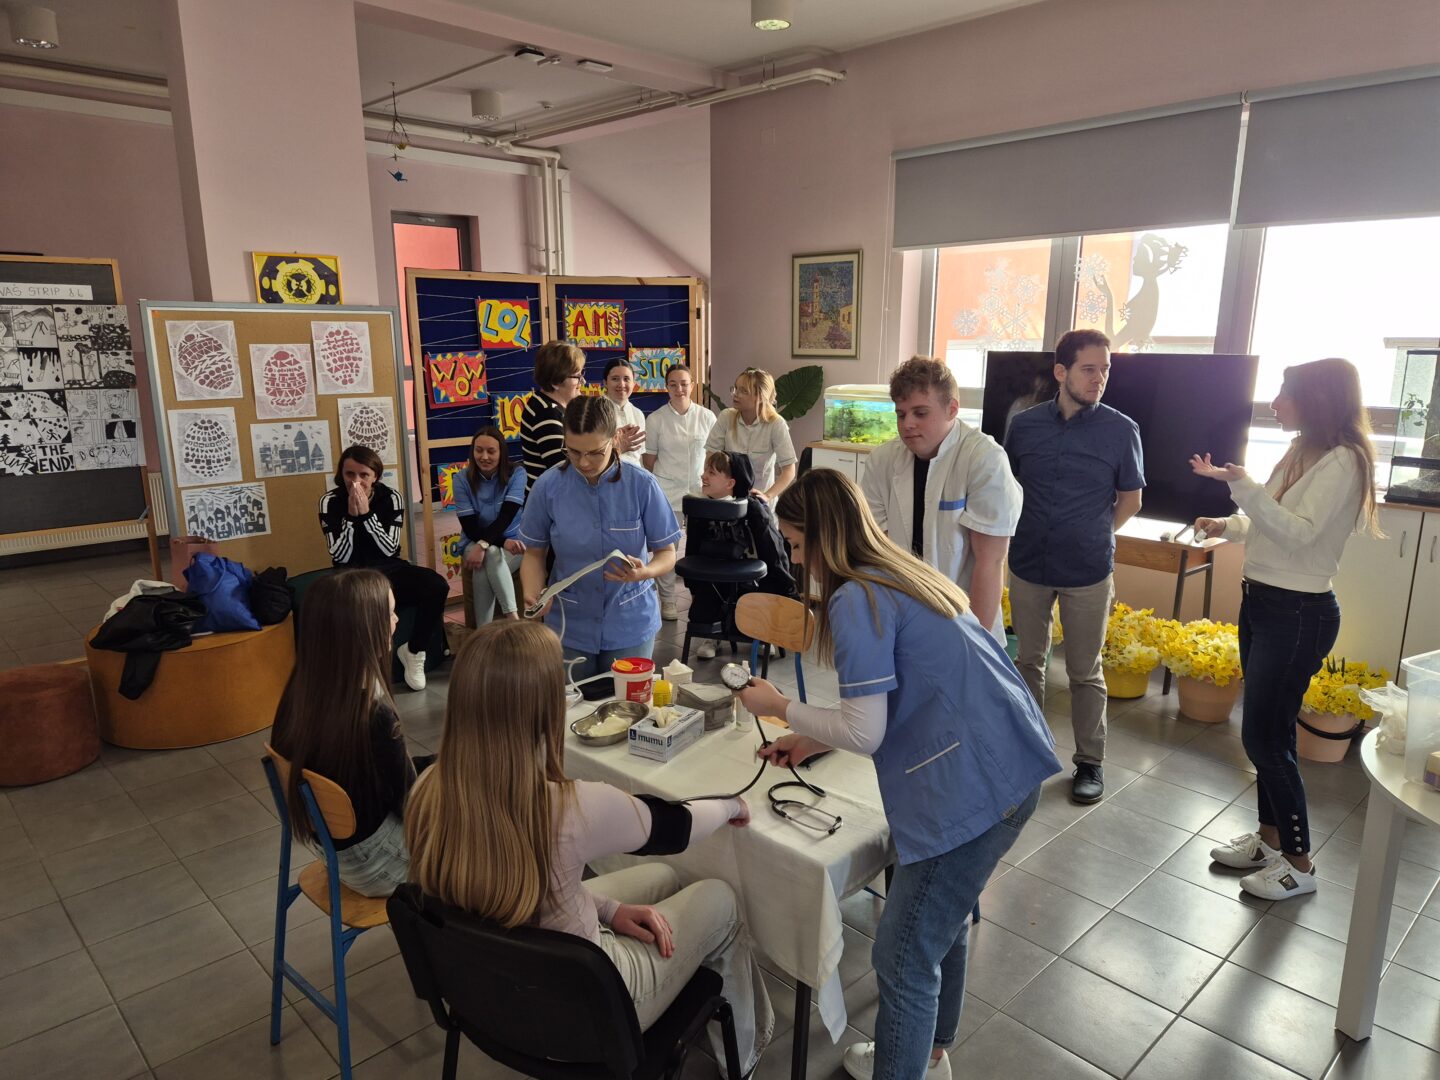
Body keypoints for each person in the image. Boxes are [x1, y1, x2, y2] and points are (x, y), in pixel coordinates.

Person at [736, 469, 1059, 1080]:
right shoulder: (898, 571)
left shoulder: (856, 599)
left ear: (825, 536)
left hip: (974, 789)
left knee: (903, 956)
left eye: (798, 545)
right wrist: (810, 738)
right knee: (941, 920)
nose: (796, 560)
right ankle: (930, 1053)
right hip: (1008, 763)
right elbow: (888, 705)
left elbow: (866, 732)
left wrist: (780, 707)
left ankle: (907, 1064)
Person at [403, 621, 774, 1074]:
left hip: (491, 995)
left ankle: (683, 983)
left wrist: (608, 910)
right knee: (721, 898)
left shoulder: (427, 790)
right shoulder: (568, 807)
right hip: (589, 1011)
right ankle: (746, 1054)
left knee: (665, 878)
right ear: (543, 709)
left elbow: (530, 892)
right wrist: (731, 804)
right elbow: (677, 827)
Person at [1191, 358, 1378, 901]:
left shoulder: (1344, 461)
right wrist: (1227, 524)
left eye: (1285, 393)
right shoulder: (1300, 451)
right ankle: (1269, 840)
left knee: (1264, 738)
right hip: (1263, 602)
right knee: (1267, 731)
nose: (1274, 403)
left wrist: (1242, 486)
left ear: (1318, 399)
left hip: (1298, 612)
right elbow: (1266, 519)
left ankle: (1298, 861)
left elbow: (1298, 535)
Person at [1004, 329, 1144, 804]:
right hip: (1029, 563)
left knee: (1085, 671)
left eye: (1105, 369)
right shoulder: (1024, 426)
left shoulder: (1122, 430)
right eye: (1089, 369)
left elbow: (1131, 500)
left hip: (1088, 570)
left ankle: (1089, 762)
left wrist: (1096, 531)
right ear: (1061, 372)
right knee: (1028, 662)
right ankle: (1027, 754)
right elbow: (1009, 488)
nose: (1099, 378)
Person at [270, 569, 415, 897]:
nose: (396, 620)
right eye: (389, 613)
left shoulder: (301, 692)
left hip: (335, 853)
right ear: (362, 629)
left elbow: (383, 774)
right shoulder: (375, 714)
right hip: (378, 865)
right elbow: (410, 805)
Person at [518, 396, 681, 680]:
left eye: (595, 452)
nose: (583, 462)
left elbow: (667, 552)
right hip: (569, 622)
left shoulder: (641, 484)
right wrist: (532, 592)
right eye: (573, 451)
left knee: (627, 701)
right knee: (571, 702)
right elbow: (534, 553)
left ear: (615, 438)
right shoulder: (548, 487)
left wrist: (645, 572)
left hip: (630, 620)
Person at [861, 356, 1021, 644]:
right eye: (901, 414)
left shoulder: (984, 459)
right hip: (900, 612)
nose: (908, 424)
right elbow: (877, 548)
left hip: (965, 616)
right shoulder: (881, 461)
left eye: (920, 413)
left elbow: (990, 562)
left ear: (952, 409)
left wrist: (976, 645)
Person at [318, 444, 448, 691]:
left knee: (436, 585)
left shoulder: (391, 497)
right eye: (349, 474)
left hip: (388, 567)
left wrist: (367, 517)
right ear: (341, 474)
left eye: (364, 475)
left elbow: (389, 549)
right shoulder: (329, 501)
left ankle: (414, 650)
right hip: (350, 572)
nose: (356, 481)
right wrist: (350, 518)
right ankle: (365, 667)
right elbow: (340, 555)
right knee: (360, 600)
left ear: (375, 476)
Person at [686, 451, 797, 660]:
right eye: (705, 470)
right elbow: (692, 549)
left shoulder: (753, 508)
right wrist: (692, 584)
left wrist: (786, 587)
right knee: (707, 592)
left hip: (752, 574)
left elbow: (774, 552)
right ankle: (712, 635)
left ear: (731, 483)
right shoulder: (699, 507)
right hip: (715, 571)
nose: (703, 476)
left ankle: (763, 635)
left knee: (764, 586)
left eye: (712, 472)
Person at [643, 363, 717, 621]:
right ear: (666, 387)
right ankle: (668, 600)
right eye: (673, 384)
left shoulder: (707, 417)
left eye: (684, 384)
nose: (679, 389)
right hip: (668, 492)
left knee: (700, 549)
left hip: (700, 492)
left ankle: (700, 599)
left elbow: (713, 456)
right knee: (667, 549)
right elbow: (649, 461)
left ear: (692, 385)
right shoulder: (656, 419)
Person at [453, 426, 527, 626]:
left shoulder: (517, 473)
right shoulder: (461, 479)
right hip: (474, 540)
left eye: (491, 451)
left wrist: (485, 545)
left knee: (487, 560)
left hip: (512, 541)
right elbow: (469, 526)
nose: (484, 457)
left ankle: (482, 633)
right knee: (492, 553)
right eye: (479, 450)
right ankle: (513, 619)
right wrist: (491, 543)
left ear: (502, 452)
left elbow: (506, 516)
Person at [705, 367, 796, 503]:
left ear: (761, 396)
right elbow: (710, 457)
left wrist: (767, 496)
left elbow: (789, 470)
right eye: (735, 388)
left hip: (760, 504)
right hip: (728, 501)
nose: (735, 394)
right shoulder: (726, 417)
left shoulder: (776, 424)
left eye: (743, 391)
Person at [521, 340, 586, 490]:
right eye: (577, 376)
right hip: (547, 499)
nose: (582, 381)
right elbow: (563, 469)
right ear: (556, 381)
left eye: (582, 374)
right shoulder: (546, 411)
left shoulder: (548, 406)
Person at [603, 356, 649, 467]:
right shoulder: (595, 410)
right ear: (605, 383)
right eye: (615, 379)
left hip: (634, 474)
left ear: (633, 383)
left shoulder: (638, 413)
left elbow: (639, 456)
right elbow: (590, 453)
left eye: (626, 379)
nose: (621, 384)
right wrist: (617, 447)